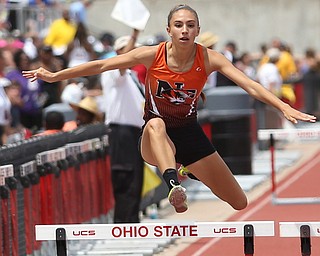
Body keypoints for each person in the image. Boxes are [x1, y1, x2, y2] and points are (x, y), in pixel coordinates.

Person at [23, 4, 317, 214]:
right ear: (169, 30)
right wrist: (54, 75)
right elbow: (101, 64)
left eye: (190, 25)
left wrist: (282, 107)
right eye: (179, 25)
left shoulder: (209, 58)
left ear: (198, 30)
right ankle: (173, 183)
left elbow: (249, 85)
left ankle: (187, 168)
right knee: (156, 124)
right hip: (154, 138)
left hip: (188, 134)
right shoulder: (153, 55)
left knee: (239, 202)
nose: (185, 30)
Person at [100, 34, 144, 223]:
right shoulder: (112, 71)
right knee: (125, 179)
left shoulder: (131, 76)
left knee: (136, 180)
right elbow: (122, 64)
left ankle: (132, 222)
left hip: (134, 133)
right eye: (130, 50)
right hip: (121, 132)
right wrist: (134, 34)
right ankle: (124, 224)